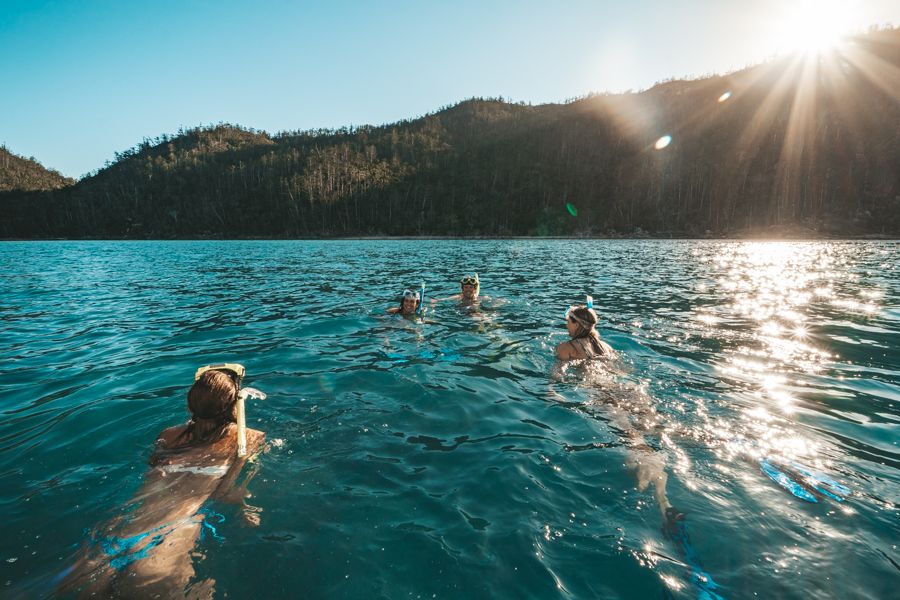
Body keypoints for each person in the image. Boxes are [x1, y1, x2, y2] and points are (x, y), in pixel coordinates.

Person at [60, 365, 266, 598]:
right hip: (171, 536)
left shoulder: (167, 435)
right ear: (233, 403)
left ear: (191, 404)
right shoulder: (249, 439)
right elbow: (225, 494)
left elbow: (152, 470)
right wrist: (245, 508)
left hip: (118, 531)